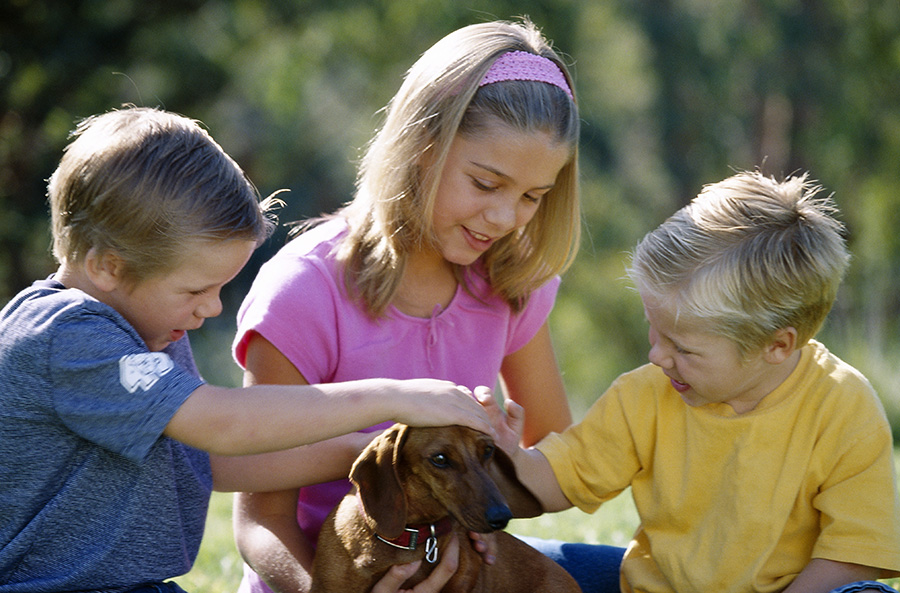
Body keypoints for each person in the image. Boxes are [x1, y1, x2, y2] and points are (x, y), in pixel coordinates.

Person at [0, 106, 494, 593]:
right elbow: (223, 426)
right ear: (108, 266)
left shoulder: (147, 333)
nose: (211, 309)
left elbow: (213, 461)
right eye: (195, 291)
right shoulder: (65, 336)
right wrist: (392, 397)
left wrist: (398, 463)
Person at [230, 18, 594, 593]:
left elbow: (551, 469)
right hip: (325, 578)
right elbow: (260, 523)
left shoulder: (511, 280)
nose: (505, 219)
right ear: (422, 148)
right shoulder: (304, 292)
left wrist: (502, 455)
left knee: (648, 577)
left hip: (461, 565)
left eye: (532, 197)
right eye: (485, 183)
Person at [484, 170, 900, 593]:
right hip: (658, 587)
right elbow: (562, 477)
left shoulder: (843, 406)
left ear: (777, 345)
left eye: (683, 349)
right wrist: (509, 460)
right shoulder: (646, 393)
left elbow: (852, 555)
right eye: (654, 329)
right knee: (519, 559)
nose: (656, 355)